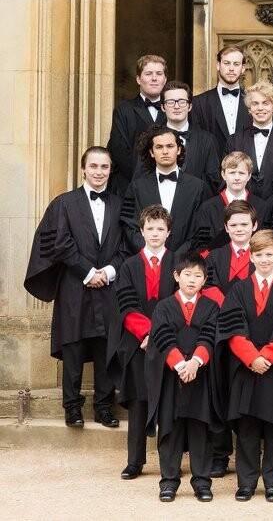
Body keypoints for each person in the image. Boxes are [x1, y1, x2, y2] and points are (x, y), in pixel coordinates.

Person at [24, 146, 124, 429]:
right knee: (73, 345)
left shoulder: (120, 204)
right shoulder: (64, 203)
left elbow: (126, 245)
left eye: (104, 167)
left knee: (106, 345)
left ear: (110, 170)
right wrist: (88, 272)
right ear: (83, 169)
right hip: (75, 284)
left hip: (109, 285)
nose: (99, 172)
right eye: (93, 166)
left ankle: (104, 407)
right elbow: (59, 242)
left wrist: (109, 271)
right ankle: (72, 407)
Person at [215, 229, 273, 502]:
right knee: (247, 428)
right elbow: (232, 329)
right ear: (251, 257)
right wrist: (251, 357)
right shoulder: (238, 290)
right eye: (259, 255)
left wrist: (266, 356)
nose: (264, 259)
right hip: (246, 368)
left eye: (269, 254)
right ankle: (246, 483)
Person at [107, 205, 177, 479]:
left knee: (169, 403)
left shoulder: (178, 263)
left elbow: (180, 302)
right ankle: (135, 461)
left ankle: (169, 462)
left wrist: (160, 337)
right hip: (138, 344)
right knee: (139, 401)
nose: (155, 233)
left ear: (169, 232)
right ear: (141, 231)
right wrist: (146, 335)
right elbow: (127, 305)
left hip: (170, 343)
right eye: (150, 228)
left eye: (160, 229)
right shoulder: (129, 265)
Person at [145, 250, 220, 502]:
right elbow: (163, 337)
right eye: (187, 274)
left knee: (201, 430)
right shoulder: (164, 307)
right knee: (170, 430)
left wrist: (195, 363)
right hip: (171, 377)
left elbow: (209, 336)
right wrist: (180, 365)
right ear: (176, 276)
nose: (192, 280)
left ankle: (202, 482)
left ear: (204, 280)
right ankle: (168, 482)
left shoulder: (211, 307)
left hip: (201, 376)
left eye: (198, 275)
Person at [200, 199, 259, 477]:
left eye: (244, 224)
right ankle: (220, 454)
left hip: (252, 334)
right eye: (233, 225)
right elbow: (208, 286)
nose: (239, 229)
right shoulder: (213, 257)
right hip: (220, 333)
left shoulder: (263, 255)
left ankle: (251, 455)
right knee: (219, 392)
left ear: (254, 226)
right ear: (225, 227)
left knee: (248, 394)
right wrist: (232, 305)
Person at [121, 126, 212, 254]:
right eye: (159, 147)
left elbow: (203, 229)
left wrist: (177, 257)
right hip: (147, 260)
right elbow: (128, 226)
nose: (165, 151)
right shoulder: (136, 187)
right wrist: (150, 252)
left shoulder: (199, 187)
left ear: (179, 149)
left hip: (185, 261)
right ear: (151, 152)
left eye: (170, 146)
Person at [227, 80, 273, 210]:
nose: (260, 108)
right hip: (242, 208)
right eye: (255, 103)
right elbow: (228, 175)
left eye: (265, 103)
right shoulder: (234, 140)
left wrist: (272, 201)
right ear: (249, 109)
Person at [138, 80, 220, 191]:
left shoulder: (207, 140)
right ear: (163, 107)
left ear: (190, 106)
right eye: (170, 102)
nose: (176, 106)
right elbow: (141, 179)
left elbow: (213, 181)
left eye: (182, 102)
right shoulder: (151, 138)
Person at [107, 54, 167, 193]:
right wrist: (145, 179)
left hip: (167, 184)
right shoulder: (124, 110)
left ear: (165, 79)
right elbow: (118, 150)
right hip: (130, 185)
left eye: (159, 73)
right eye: (148, 73)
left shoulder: (174, 109)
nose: (154, 78)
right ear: (138, 79)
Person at [191, 151, 270, 251]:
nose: (237, 178)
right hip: (216, 259)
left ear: (249, 176)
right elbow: (202, 247)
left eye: (241, 173)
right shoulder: (207, 208)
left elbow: (265, 242)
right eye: (232, 173)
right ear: (223, 174)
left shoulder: (262, 206)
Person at [191, 44, 252, 158]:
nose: (231, 68)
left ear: (243, 68)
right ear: (218, 65)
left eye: (236, 64)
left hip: (247, 167)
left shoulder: (254, 102)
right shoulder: (198, 103)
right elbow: (197, 143)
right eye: (227, 63)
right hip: (211, 166)